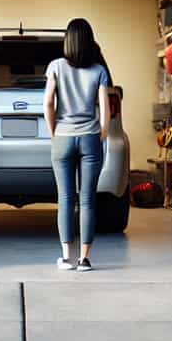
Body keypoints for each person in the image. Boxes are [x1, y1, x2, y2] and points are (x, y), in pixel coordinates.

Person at [44, 17, 111, 271]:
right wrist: (101, 134)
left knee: (65, 198)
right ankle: (84, 259)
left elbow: (48, 103)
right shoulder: (99, 70)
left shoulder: (56, 67)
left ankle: (66, 257)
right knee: (87, 200)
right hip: (90, 138)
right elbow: (104, 109)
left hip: (62, 137)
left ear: (68, 42)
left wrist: (54, 131)